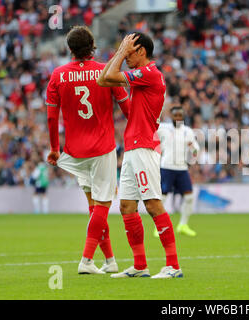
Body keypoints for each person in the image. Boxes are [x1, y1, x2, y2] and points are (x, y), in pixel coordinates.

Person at [97, 33, 182, 279]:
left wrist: (120, 53)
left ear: (141, 51)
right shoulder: (140, 78)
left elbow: (108, 77)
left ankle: (173, 266)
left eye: (130, 53)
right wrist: (122, 51)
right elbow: (104, 79)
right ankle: (140, 265)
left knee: (153, 204)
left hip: (144, 147)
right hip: (133, 148)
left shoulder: (150, 73)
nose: (127, 58)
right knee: (126, 206)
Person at [46, 26, 130, 275]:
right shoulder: (107, 71)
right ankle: (86, 260)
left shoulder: (58, 75)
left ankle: (110, 260)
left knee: (94, 207)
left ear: (69, 48)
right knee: (103, 205)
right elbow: (126, 106)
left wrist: (54, 149)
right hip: (102, 148)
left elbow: (52, 118)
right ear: (92, 45)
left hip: (74, 152)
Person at [154, 106, 199, 237]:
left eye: (180, 115)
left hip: (182, 168)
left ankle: (183, 225)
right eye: (176, 115)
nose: (178, 118)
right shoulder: (163, 128)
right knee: (162, 198)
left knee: (189, 197)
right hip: (166, 167)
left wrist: (193, 149)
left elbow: (196, 150)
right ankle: (159, 227)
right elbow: (151, 136)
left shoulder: (188, 131)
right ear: (171, 116)